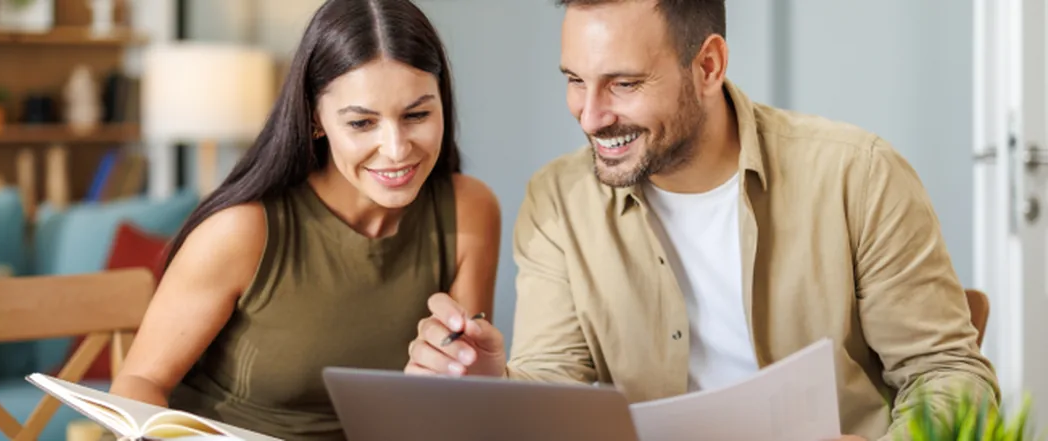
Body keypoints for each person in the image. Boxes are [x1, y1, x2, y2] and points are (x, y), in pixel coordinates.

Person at [404, 0, 999, 439]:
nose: (589, 116)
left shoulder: (858, 175)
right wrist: (494, 384)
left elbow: (945, 372)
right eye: (575, 82)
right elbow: (554, 383)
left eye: (624, 84)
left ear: (709, 66)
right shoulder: (558, 202)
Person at [109, 1, 501, 440]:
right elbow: (138, 384)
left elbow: (457, 402)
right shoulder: (242, 231)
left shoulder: (470, 210)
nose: (395, 148)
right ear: (317, 118)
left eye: (416, 115)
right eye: (361, 122)